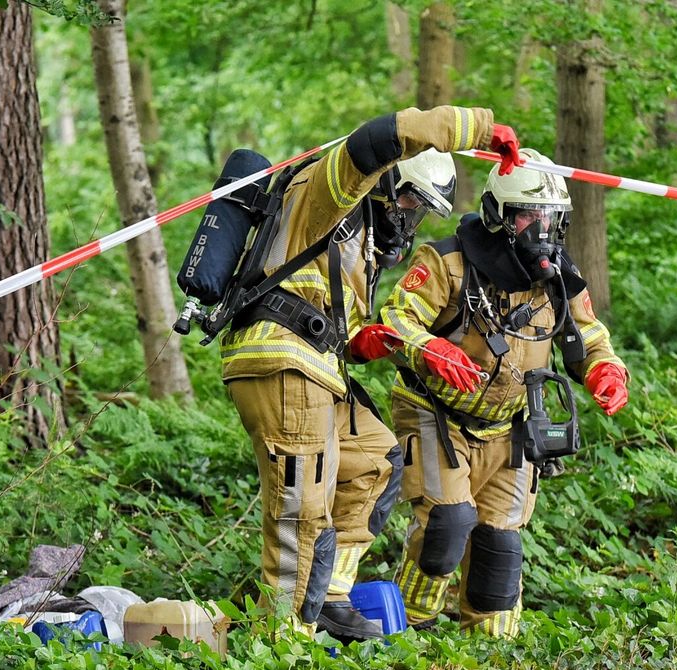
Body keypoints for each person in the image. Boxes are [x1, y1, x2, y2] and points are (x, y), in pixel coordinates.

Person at [220, 106, 524, 640]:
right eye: (409, 199)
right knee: (302, 505)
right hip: (285, 361)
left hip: (317, 365)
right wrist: (475, 127)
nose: (410, 217)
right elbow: (380, 138)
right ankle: (283, 644)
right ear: (387, 180)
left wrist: (375, 340)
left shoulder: (357, 239)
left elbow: (346, 329)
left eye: (422, 210)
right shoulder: (331, 188)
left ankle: (329, 597)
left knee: (375, 461)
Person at [381, 148, 628, 636]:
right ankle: (408, 632)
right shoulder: (447, 261)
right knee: (445, 527)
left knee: (500, 547)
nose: (541, 230)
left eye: (551, 219)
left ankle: (490, 648)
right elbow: (395, 320)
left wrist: (606, 370)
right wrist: (431, 349)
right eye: (528, 217)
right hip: (437, 414)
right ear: (499, 215)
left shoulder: (560, 276)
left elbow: (589, 336)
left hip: (512, 427)